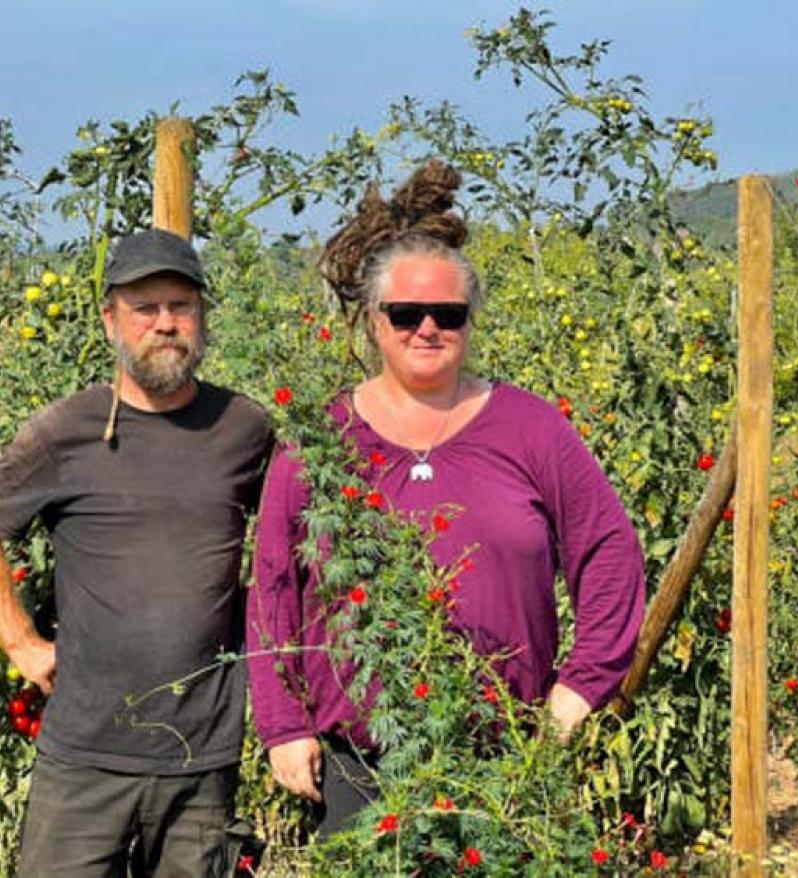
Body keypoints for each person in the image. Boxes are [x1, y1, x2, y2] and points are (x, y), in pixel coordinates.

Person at [246, 161, 646, 835]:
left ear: (470, 321)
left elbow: (608, 551)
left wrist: (576, 693)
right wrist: (284, 724)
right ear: (374, 321)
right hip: (361, 769)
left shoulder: (532, 429)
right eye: (406, 313)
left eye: (448, 314)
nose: (427, 328)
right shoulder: (319, 444)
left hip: (507, 761)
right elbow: (273, 589)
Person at [0, 228, 274, 877]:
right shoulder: (65, 432)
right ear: (110, 320)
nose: (165, 323)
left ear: (203, 317)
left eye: (180, 306)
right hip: (86, 755)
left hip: (201, 755)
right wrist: (20, 641)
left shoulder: (243, 428)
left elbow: (292, 544)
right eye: (144, 308)